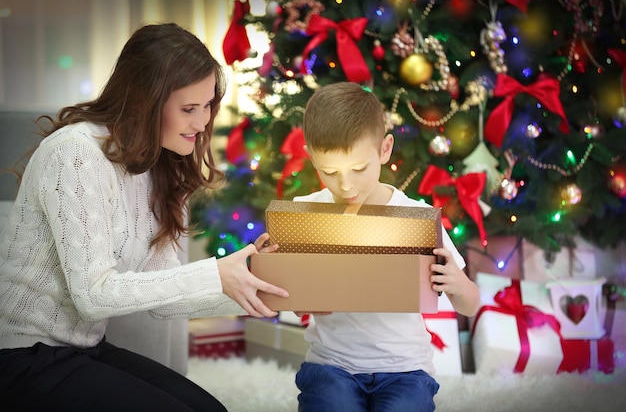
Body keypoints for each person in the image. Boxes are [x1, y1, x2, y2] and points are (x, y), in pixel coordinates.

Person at [0, 22, 288, 412]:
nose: (202, 123)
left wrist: (264, 293)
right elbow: (93, 295)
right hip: (21, 358)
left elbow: (165, 299)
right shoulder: (75, 153)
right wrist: (216, 273)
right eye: (189, 109)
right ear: (144, 102)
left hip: (83, 350)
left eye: (207, 107)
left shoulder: (154, 164)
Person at [293, 82, 480, 412]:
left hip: (405, 369)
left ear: (384, 149)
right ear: (310, 156)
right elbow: (296, 303)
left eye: (359, 169)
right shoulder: (308, 213)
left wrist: (457, 282)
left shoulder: (418, 218)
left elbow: (470, 305)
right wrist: (300, 292)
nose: (346, 185)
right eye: (329, 172)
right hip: (331, 365)